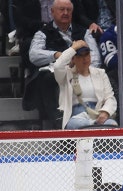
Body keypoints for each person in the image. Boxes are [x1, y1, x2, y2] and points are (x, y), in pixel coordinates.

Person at [23, 0, 102, 128]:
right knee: (47, 78)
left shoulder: (84, 32)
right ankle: (59, 122)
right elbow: (34, 55)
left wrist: (85, 69)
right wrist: (57, 55)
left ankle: (94, 118)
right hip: (54, 73)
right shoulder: (42, 33)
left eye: (68, 10)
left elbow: (96, 58)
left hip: (80, 72)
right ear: (52, 12)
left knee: (101, 76)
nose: (65, 13)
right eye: (61, 9)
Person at [54, 41, 118, 129]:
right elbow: (57, 66)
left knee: (112, 125)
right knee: (82, 125)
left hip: (97, 114)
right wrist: (74, 47)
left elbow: (110, 97)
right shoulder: (66, 74)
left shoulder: (100, 73)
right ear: (73, 59)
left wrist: (105, 112)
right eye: (80, 56)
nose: (84, 59)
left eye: (87, 54)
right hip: (76, 117)